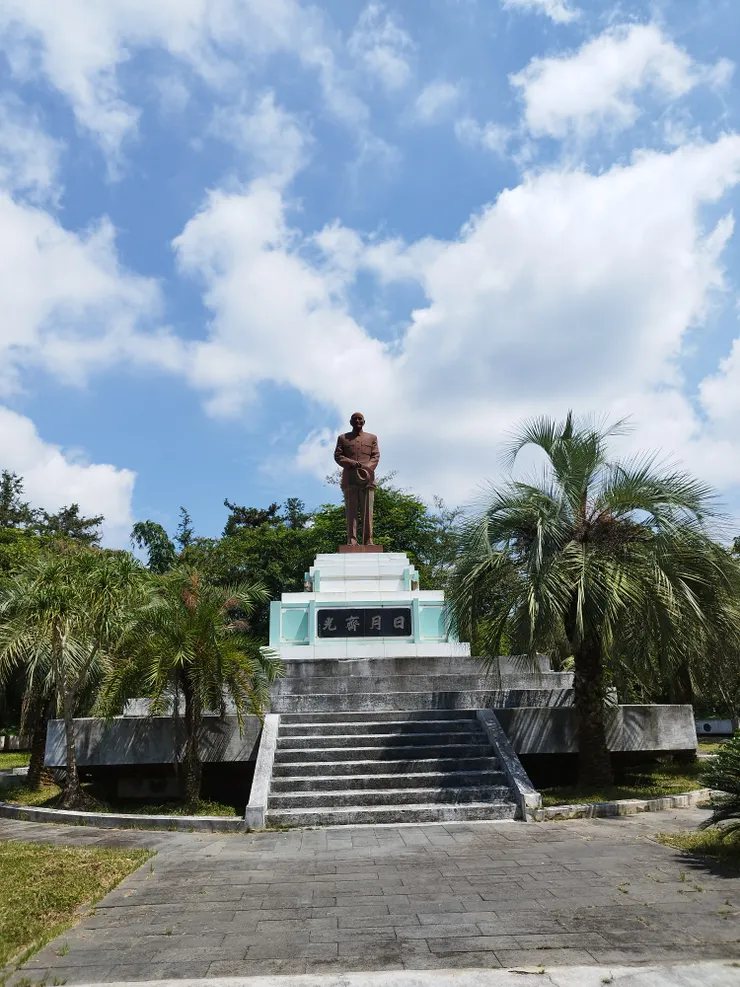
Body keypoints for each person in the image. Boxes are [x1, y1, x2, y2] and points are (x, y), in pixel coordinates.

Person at [333, 412, 380, 545]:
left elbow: (375, 456)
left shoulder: (372, 438)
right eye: (355, 419)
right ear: (350, 422)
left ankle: (368, 539)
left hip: (367, 480)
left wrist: (367, 469)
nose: (358, 421)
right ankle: (352, 539)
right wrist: (351, 463)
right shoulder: (343, 438)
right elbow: (338, 456)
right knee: (351, 511)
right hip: (350, 479)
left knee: (368, 512)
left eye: (360, 419)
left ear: (364, 422)